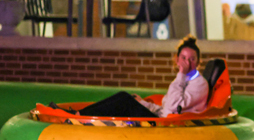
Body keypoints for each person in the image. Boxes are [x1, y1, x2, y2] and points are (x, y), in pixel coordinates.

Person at [65, 35, 209, 118]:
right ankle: (80, 113)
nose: (187, 63)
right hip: (162, 119)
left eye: (192, 59)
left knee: (125, 101)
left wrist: (181, 75)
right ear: (177, 60)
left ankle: (80, 115)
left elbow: (172, 109)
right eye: (183, 58)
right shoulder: (182, 80)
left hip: (166, 125)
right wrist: (144, 104)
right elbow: (165, 108)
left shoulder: (199, 84)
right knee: (126, 96)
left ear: (198, 62)